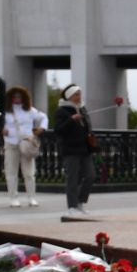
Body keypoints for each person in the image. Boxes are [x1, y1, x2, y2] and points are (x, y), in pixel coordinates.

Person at [52, 85, 95, 220]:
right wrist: (71, 120)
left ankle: (80, 202)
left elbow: (87, 127)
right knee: (72, 178)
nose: (79, 96)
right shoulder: (62, 111)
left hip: (84, 149)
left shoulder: (82, 108)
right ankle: (71, 206)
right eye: (76, 94)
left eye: (79, 94)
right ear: (69, 96)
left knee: (90, 175)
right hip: (70, 149)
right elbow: (58, 130)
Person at [0, 86, 47, 209]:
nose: (17, 99)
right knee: (11, 172)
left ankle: (32, 197)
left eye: (19, 96)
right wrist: (1, 130)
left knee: (29, 173)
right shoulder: (5, 112)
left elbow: (43, 117)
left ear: (24, 98)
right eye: (14, 96)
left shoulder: (30, 110)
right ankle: (13, 198)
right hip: (11, 143)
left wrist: (41, 128)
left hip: (26, 143)